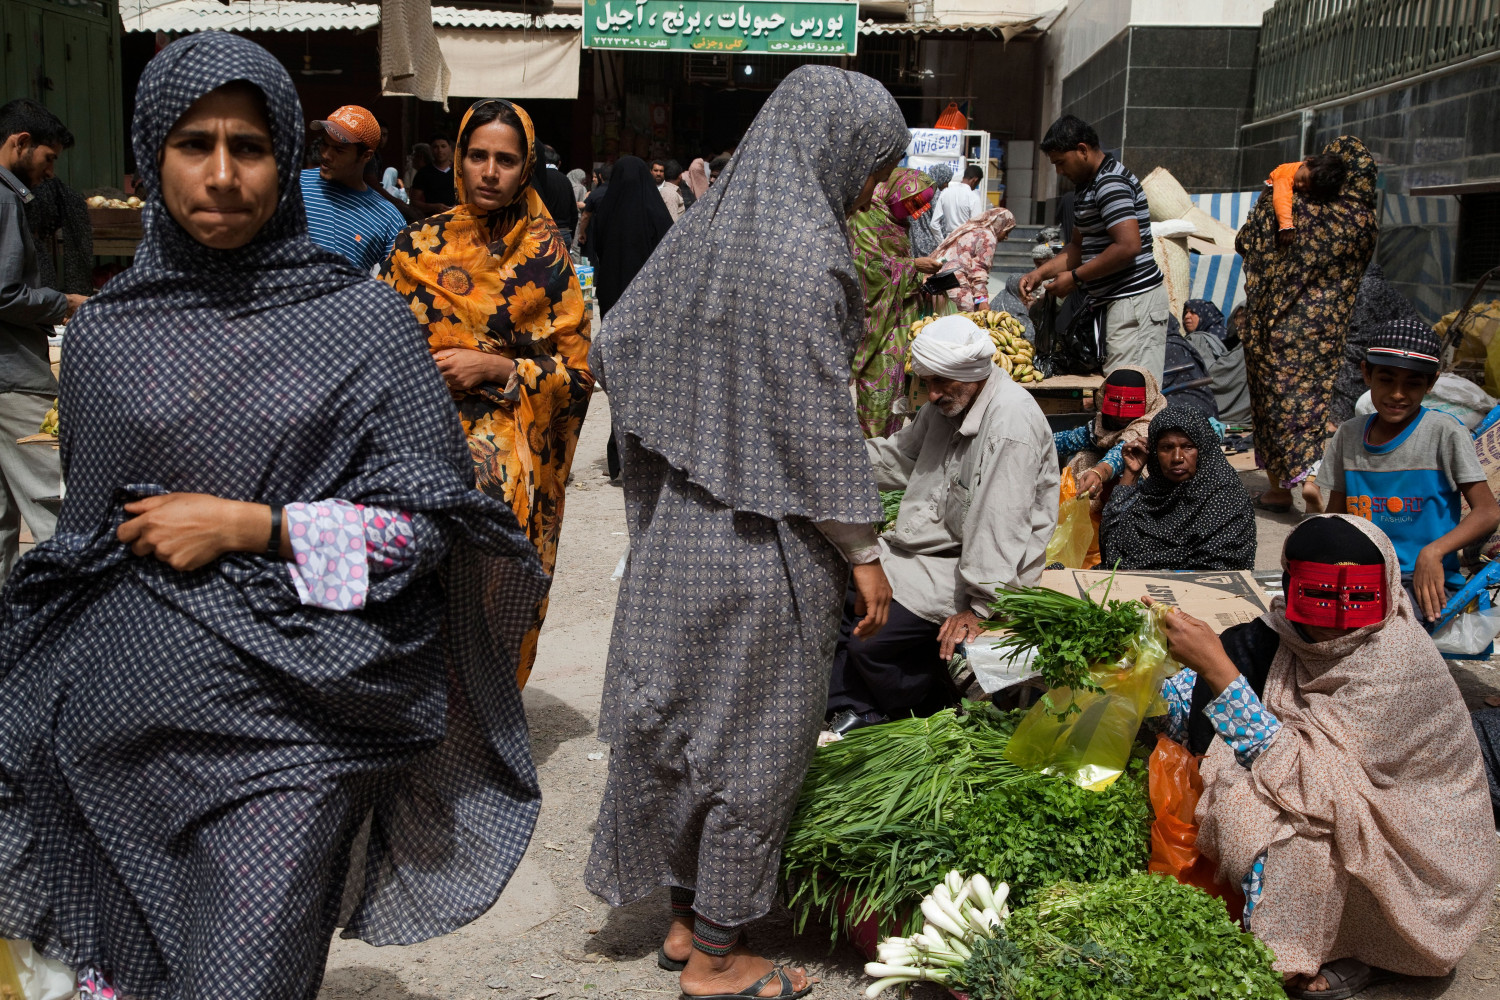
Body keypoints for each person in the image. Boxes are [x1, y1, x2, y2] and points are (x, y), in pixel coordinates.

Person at [0, 32, 549, 998]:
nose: (221, 175)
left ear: (283, 156)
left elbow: (423, 529)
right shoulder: (105, 335)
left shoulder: (362, 324)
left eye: (248, 148)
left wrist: (256, 525)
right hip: (123, 723)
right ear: (149, 155)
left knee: (248, 974)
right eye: (193, 145)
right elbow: (85, 548)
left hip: (292, 723)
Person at [584, 65, 910, 1000]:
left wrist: (694, 434)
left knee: (687, 726)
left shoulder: (711, 230)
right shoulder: (807, 251)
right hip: (760, 552)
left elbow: (617, 344)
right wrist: (861, 552)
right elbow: (816, 423)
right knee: (757, 748)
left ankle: (685, 922)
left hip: (681, 538)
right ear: (834, 147)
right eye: (874, 165)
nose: (872, 188)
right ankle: (722, 960)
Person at [1156, 515, 1495, 1000]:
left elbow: (1312, 786)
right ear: (1292, 586)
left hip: (1415, 849)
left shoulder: (1396, 658)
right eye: (1316, 598)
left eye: (1356, 600)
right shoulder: (1290, 633)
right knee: (1213, 748)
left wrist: (1219, 670)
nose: (1332, 619)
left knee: (1291, 836)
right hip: (1326, 783)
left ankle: (1360, 952)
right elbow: (1243, 666)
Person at [379, 99, 593, 688]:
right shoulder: (414, 249)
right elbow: (376, 357)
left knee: (492, 603)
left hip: (510, 469)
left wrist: (495, 369)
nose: (489, 171)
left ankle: (480, 724)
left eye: (505, 158)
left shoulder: (548, 263)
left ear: (526, 167)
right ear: (459, 160)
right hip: (419, 457)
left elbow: (577, 377)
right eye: (477, 156)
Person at [827, 316, 1058, 731]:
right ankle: (852, 706)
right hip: (925, 551)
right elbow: (902, 458)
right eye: (926, 382)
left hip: (980, 569)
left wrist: (981, 607)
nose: (931, 394)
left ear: (971, 376)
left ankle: (929, 709)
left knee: (872, 640)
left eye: (941, 383)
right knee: (843, 600)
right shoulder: (947, 403)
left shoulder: (1010, 424)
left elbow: (998, 527)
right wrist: (838, 456)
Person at [1319, 319, 1499, 624]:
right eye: (1387, 380)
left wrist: (1434, 551)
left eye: (1413, 383)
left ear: (1430, 384)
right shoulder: (1348, 435)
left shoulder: (1444, 432)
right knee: (1297, 619)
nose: (1398, 394)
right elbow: (1336, 516)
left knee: (1376, 630)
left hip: (1419, 580)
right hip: (1360, 572)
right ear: (1366, 373)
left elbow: (1488, 512)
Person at [1237, 136, 1379, 513]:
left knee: (1271, 405)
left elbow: (1245, 242)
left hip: (1272, 326)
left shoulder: (1289, 207)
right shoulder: (1363, 220)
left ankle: (1283, 487)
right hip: (1320, 335)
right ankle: (1308, 477)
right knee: (1309, 406)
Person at [0, 98, 83, 583]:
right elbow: (4, 292)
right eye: (48, 159)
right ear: (20, 143)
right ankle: (67, 628)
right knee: (53, 508)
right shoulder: (5, 197)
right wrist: (67, 303)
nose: (50, 173)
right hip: (13, 380)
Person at [1019, 115, 1168, 381]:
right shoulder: (1085, 188)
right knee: (1116, 385)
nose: (1059, 171)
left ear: (1082, 150)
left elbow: (1128, 246)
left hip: (1134, 299)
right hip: (1113, 301)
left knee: (1131, 389)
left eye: (1061, 163)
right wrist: (1040, 274)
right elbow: (1078, 246)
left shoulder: (1110, 183)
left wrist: (1075, 279)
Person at [592, 155, 675, 480]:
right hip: (649, 312)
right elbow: (672, 253)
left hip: (612, 308)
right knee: (649, 383)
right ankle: (645, 455)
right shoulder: (654, 211)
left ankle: (618, 457)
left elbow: (594, 250)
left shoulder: (606, 210)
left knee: (620, 383)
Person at [1099, 405, 1255, 571]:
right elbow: (1111, 543)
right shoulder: (1154, 490)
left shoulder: (1224, 495)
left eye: (1188, 447)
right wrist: (1131, 473)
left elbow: (1217, 566)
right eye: (1167, 448)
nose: (1177, 458)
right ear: (1154, 452)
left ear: (1202, 449)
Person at [849, 167, 942, 437]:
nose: (917, 213)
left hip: (899, 321)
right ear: (897, 191)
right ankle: (870, 453)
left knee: (895, 390)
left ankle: (888, 450)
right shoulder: (865, 216)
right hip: (878, 322)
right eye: (913, 204)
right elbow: (866, 267)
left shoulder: (897, 221)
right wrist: (912, 266)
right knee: (876, 389)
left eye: (922, 206)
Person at [300, 104, 407, 272]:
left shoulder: (387, 218)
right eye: (325, 144)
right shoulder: (294, 185)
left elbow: (398, 281)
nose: (325, 155)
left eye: (339, 150)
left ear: (366, 155)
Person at [1052, 366, 1165, 506]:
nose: (1121, 415)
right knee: (1083, 457)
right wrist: (1038, 442)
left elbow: (1120, 455)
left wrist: (1098, 473)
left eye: (1132, 403)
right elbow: (1069, 440)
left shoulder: (1149, 425)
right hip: (1106, 486)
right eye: (1115, 402)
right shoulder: (1102, 424)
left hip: (1143, 495)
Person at [1332, 263, 1422, 427]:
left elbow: (1359, 343)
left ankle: (1343, 418)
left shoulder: (1366, 290)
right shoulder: (1371, 287)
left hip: (1399, 355)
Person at [933, 206, 1016, 312]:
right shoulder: (988, 237)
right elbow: (978, 270)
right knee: (968, 319)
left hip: (939, 282)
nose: (1006, 237)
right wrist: (982, 301)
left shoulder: (970, 229)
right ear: (1000, 225)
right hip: (956, 283)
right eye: (1007, 231)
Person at [1183, 298, 1252, 425]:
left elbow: (1216, 374)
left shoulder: (1199, 339)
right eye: (1185, 313)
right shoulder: (1228, 340)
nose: (1187, 317)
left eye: (1193, 312)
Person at [1267, 153, 1346, 245]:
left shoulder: (1307, 169)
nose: (1300, 185)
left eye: (1306, 188)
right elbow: (1281, 199)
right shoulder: (1284, 176)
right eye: (1303, 179)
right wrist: (1286, 226)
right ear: (1306, 162)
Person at [537, 143, 580, 246]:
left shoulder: (539, 179)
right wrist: (571, 234)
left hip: (543, 232)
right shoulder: (566, 180)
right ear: (559, 163)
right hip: (564, 233)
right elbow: (573, 211)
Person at [907, 163, 951, 258]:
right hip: (930, 243)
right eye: (946, 181)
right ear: (941, 178)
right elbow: (939, 221)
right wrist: (945, 242)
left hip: (913, 241)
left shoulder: (916, 189)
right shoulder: (935, 194)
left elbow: (910, 215)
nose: (947, 185)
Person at [409, 133, 456, 215]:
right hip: (432, 220)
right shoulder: (423, 173)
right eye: (435, 147)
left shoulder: (459, 171)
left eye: (443, 146)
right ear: (431, 150)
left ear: (450, 149)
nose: (440, 150)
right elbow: (414, 201)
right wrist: (433, 207)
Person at [936, 163, 984, 237]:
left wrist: (941, 241)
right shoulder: (973, 197)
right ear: (975, 180)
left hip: (949, 238)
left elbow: (934, 224)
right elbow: (977, 226)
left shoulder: (945, 192)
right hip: (965, 239)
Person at [575, 160, 610, 261]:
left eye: (595, 177)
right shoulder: (617, 192)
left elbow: (586, 216)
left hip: (594, 231)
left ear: (600, 177)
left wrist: (582, 232)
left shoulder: (596, 194)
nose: (594, 179)